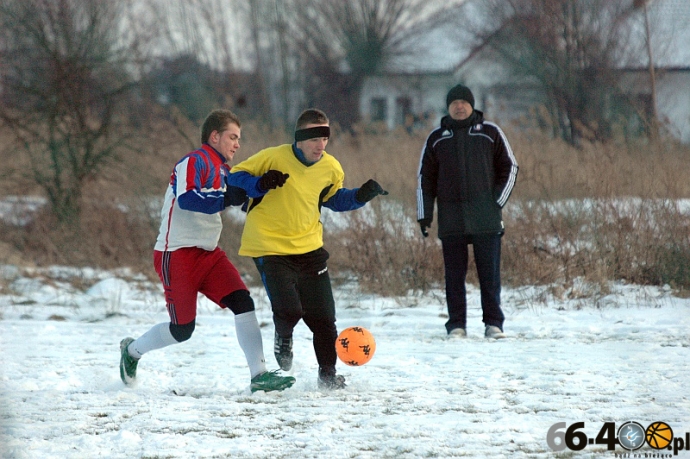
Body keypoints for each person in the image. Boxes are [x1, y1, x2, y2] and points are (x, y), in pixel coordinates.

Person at [119, 109, 295, 393]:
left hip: (209, 254)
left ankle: (259, 376)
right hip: (175, 254)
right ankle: (131, 352)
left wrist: (262, 183)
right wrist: (228, 197)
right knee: (182, 331)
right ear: (214, 136)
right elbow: (189, 199)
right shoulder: (192, 162)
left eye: (239, 139)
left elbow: (243, 186)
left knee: (243, 301)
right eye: (232, 137)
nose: (237, 144)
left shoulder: (226, 171)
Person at [227, 108, 388, 389]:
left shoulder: (331, 167)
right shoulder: (273, 156)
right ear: (299, 138)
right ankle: (284, 336)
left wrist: (361, 196)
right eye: (314, 137)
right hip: (269, 246)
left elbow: (334, 199)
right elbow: (235, 176)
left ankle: (327, 376)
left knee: (324, 318)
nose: (320, 144)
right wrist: (260, 183)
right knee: (290, 310)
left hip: (310, 248)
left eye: (325, 137)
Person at [417, 84, 518, 339]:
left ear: (472, 106)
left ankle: (493, 324)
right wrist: (424, 214)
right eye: (454, 103)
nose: (459, 107)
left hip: (487, 219)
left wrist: (496, 202)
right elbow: (424, 179)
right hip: (452, 220)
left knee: (490, 276)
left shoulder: (490, 133)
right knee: (454, 277)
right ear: (448, 107)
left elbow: (511, 167)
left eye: (463, 102)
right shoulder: (437, 138)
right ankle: (456, 326)